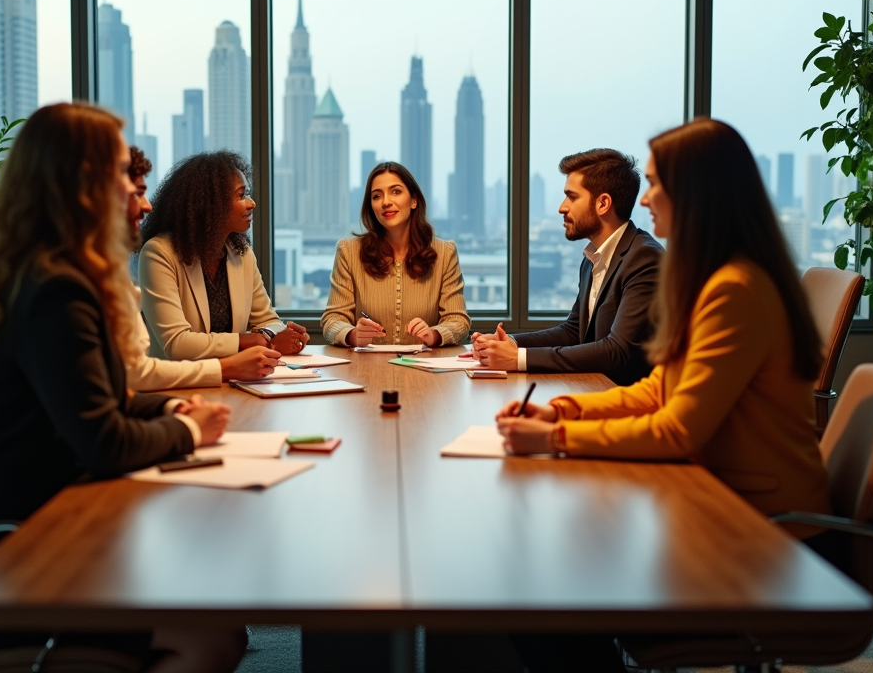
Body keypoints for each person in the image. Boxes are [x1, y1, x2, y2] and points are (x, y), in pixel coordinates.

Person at [496, 119, 834, 673]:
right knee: (545, 575)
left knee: (537, 596)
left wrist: (555, 437)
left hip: (766, 542)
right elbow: (660, 388)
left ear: (696, 192)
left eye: (656, 183)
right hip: (724, 510)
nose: (646, 198)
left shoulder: (735, 290)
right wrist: (560, 408)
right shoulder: (716, 277)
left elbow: (677, 429)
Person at [0, 103, 246, 673]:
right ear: (83, 186)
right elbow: (103, 442)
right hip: (10, 564)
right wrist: (187, 429)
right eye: (127, 177)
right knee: (213, 638)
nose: (145, 200)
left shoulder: (41, 274)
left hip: (27, 533)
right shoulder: (56, 292)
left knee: (214, 617)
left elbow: (102, 397)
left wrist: (170, 404)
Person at [472, 149, 663, 386]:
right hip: (593, 390)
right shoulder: (592, 257)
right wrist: (511, 343)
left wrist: (518, 358)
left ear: (603, 203)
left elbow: (618, 350)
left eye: (572, 197)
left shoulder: (644, 258)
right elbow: (574, 331)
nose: (562, 207)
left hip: (628, 404)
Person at [126, 147, 283, 386]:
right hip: (180, 388)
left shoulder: (241, 253)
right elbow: (177, 344)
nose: (252, 203)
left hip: (236, 383)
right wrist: (243, 340)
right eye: (241, 196)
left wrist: (276, 335)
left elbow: (268, 320)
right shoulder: (159, 253)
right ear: (210, 204)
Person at [321, 162, 470, 347]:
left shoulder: (445, 253)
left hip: (423, 369)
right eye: (377, 196)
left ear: (414, 200)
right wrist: (352, 334)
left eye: (396, 192)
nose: (385, 202)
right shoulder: (348, 251)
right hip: (366, 369)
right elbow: (332, 319)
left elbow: (458, 321)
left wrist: (435, 334)